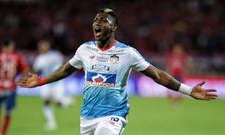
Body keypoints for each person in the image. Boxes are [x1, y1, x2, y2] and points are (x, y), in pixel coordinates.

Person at [17, 8, 217, 135]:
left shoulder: (127, 53)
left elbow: (157, 75)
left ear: (113, 27)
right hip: (87, 117)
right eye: (96, 19)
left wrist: (188, 91)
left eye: (103, 20)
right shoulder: (84, 49)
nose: (97, 23)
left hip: (114, 115)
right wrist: (41, 81)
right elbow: (66, 70)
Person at [0, 40, 29, 135]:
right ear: (9, 46)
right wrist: (19, 78)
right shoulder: (17, 56)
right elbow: (26, 70)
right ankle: (3, 133)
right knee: (8, 112)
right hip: (11, 87)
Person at [33, 40, 74, 130]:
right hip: (46, 83)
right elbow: (37, 70)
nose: (42, 48)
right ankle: (51, 122)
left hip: (57, 83)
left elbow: (64, 64)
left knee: (58, 103)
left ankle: (67, 101)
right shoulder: (40, 58)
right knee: (46, 102)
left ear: (48, 47)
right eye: (41, 47)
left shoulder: (55, 55)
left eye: (44, 46)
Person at [166, 44, 193, 108]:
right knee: (171, 90)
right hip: (173, 75)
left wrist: (187, 70)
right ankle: (173, 103)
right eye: (175, 49)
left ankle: (176, 103)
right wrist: (168, 72)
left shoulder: (183, 56)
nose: (177, 50)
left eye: (178, 49)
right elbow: (169, 65)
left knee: (181, 91)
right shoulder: (171, 56)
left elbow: (187, 64)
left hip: (180, 75)